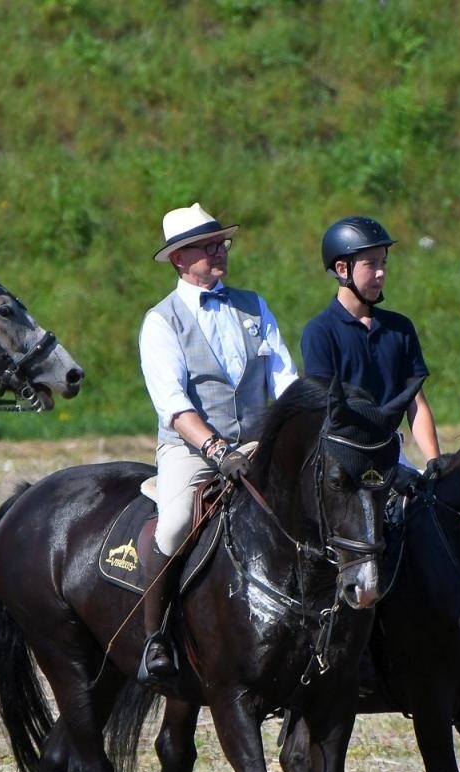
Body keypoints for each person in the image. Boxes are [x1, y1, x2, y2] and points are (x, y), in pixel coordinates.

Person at [136, 202, 299, 681]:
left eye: (220, 243)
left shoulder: (254, 306)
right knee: (175, 524)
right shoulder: (160, 322)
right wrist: (216, 451)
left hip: (257, 441)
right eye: (206, 247)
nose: (218, 252)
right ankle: (156, 637)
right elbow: (174, 404)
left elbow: (285, 381)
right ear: (178, 260)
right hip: (192, 451)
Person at [300, 216, 446, 483]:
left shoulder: (400, 328)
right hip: (343, 460)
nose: (381, 273)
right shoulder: (319, 332)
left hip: (392, 451)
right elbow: (326, 412)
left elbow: (416, 402)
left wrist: (434, 461)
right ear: (342, 269)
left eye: (383, 263)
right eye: (371, 264)